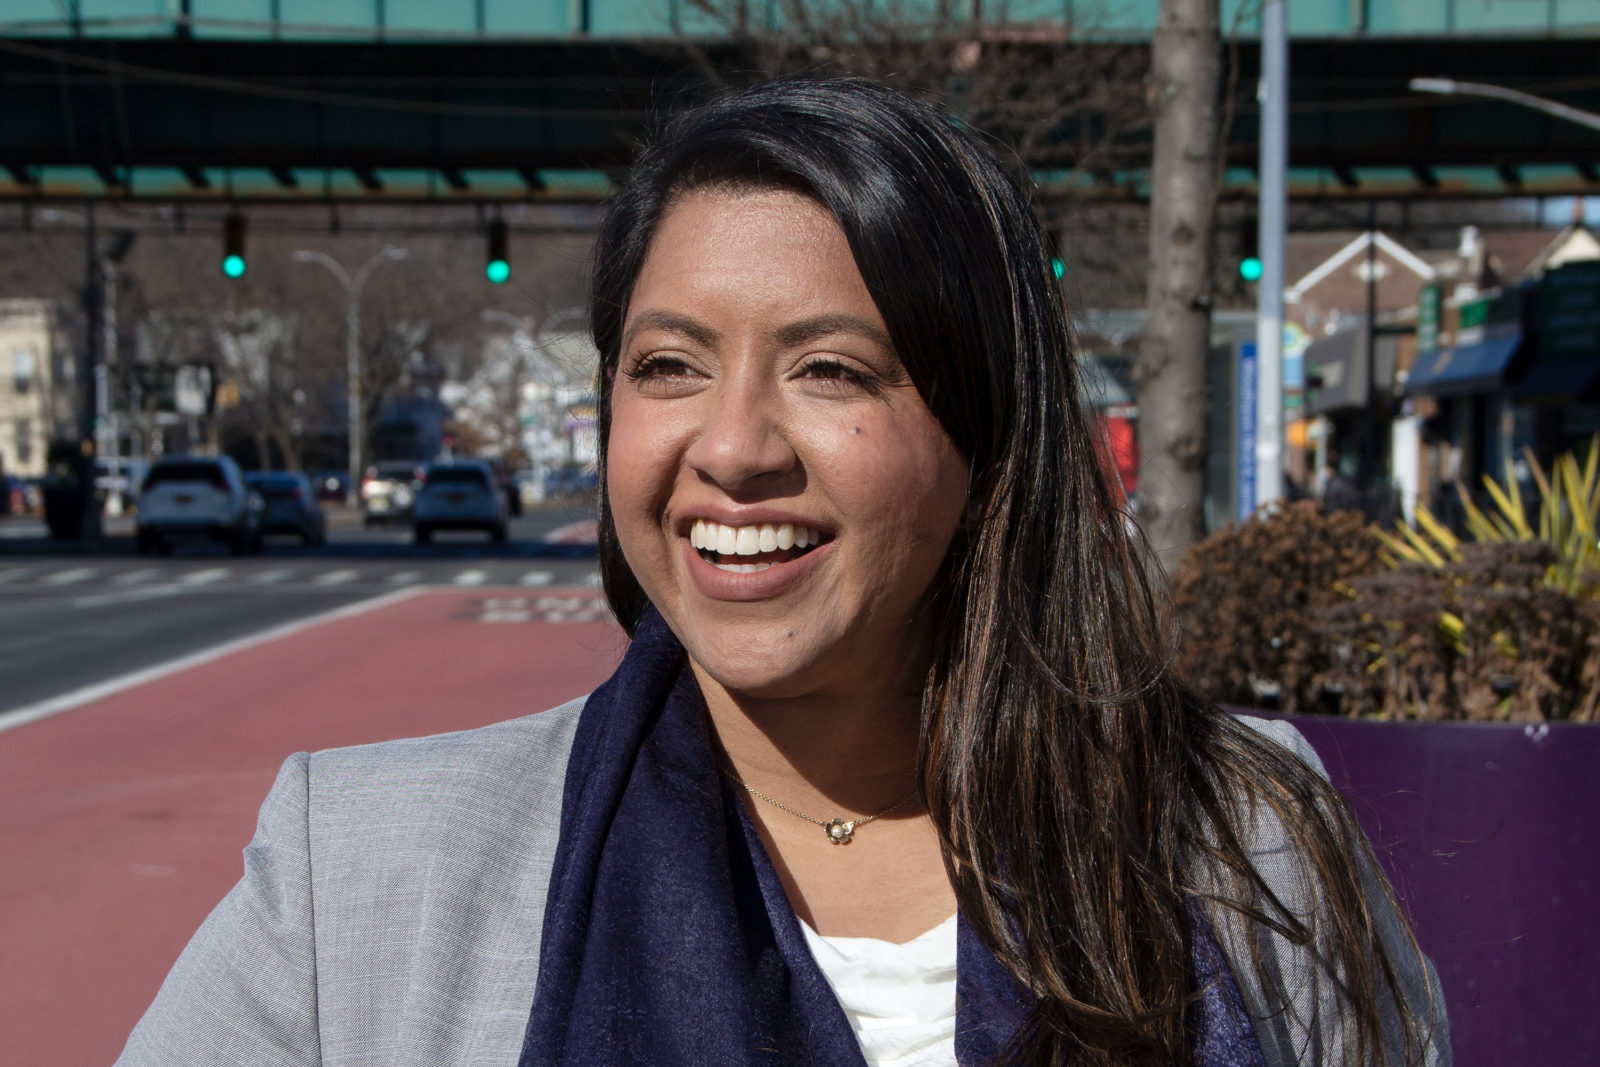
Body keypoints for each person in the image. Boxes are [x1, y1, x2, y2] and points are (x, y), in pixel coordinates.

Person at [118, 78, 1448, 1067]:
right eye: (669, 367)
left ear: (986, 432)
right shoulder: (360, 874)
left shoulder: (1246, 835)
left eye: (831, 370)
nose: (734, 447)